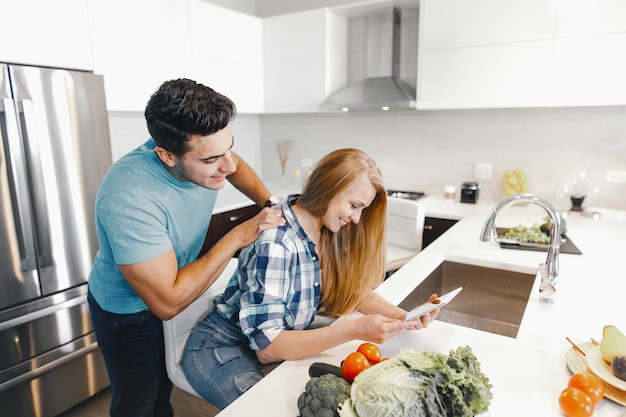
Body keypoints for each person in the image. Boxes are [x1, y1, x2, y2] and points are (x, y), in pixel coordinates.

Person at [182, 148, 439, 409]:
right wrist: (354, 330)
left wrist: (404, 317)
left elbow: (352, 292)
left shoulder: (325, 228)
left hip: (271, 342)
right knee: (267, 410)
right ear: (329, 188)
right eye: (354, 206)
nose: (356, 218)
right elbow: (268, 347)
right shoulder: (277, 243)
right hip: (222, 347)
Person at [87, 78, 285, 417]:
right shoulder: (129, 197)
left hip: (171, 283)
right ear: (166, 155)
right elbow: (167, 302)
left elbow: (235, 166)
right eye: (212, 160)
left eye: (228, 149)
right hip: (129, 313)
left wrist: (270, 202)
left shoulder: (203, 151)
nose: (228, 166)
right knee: (139, 402)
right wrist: (236, 237)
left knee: (163, 388)